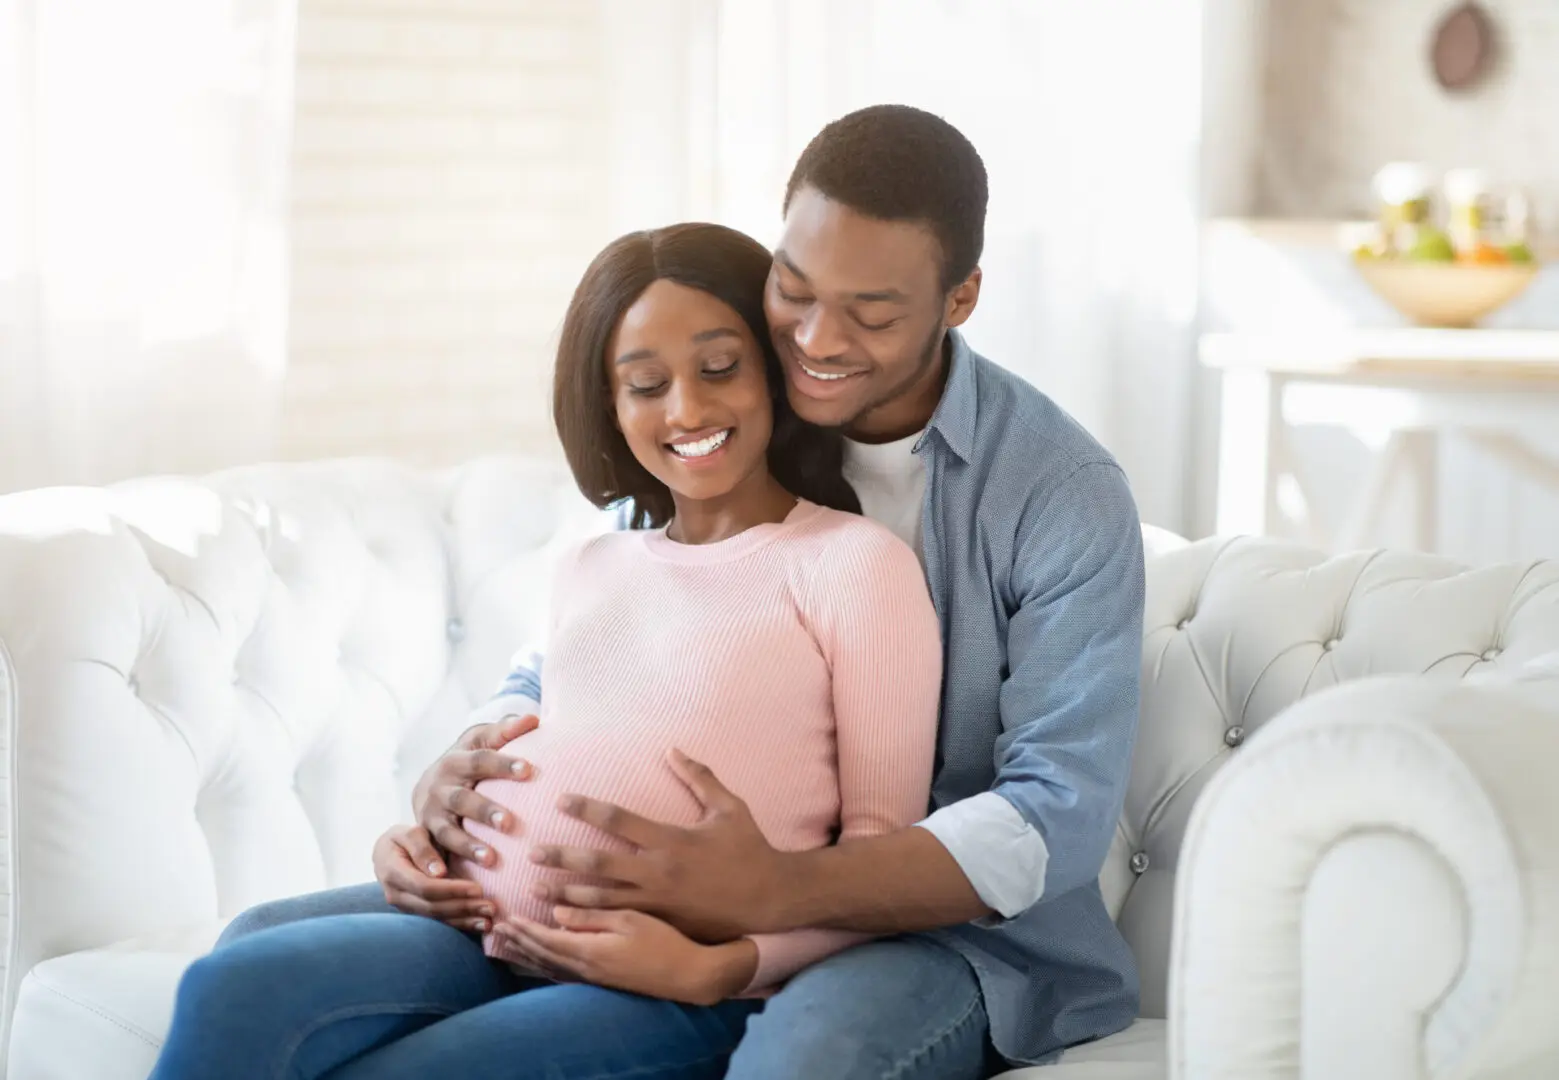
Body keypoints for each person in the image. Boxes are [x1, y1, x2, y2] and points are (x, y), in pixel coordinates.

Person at [225, 104, 1146, 1078]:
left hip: (949, 939)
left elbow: (1052, 816)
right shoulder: (735, 402)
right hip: (640, 893)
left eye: (870, 312)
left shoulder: (1056, 495)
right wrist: (463, 768)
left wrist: (769, 900)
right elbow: (585, 650)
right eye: (793, 290)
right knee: (255, 948)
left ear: (958, 300)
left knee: (800, 1059)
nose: (816, 341)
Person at [149, 223, 943, 1079]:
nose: (686, 409)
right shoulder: (592, 561)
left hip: (672, 982)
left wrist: (723, 966)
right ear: (609, 404)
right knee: (229, 987)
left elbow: (880, 867)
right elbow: (533, 735)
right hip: (479, 932)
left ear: (772, 374)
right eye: (645, 384)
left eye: (719, 368)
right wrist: (416, 840)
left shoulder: (852, 566)